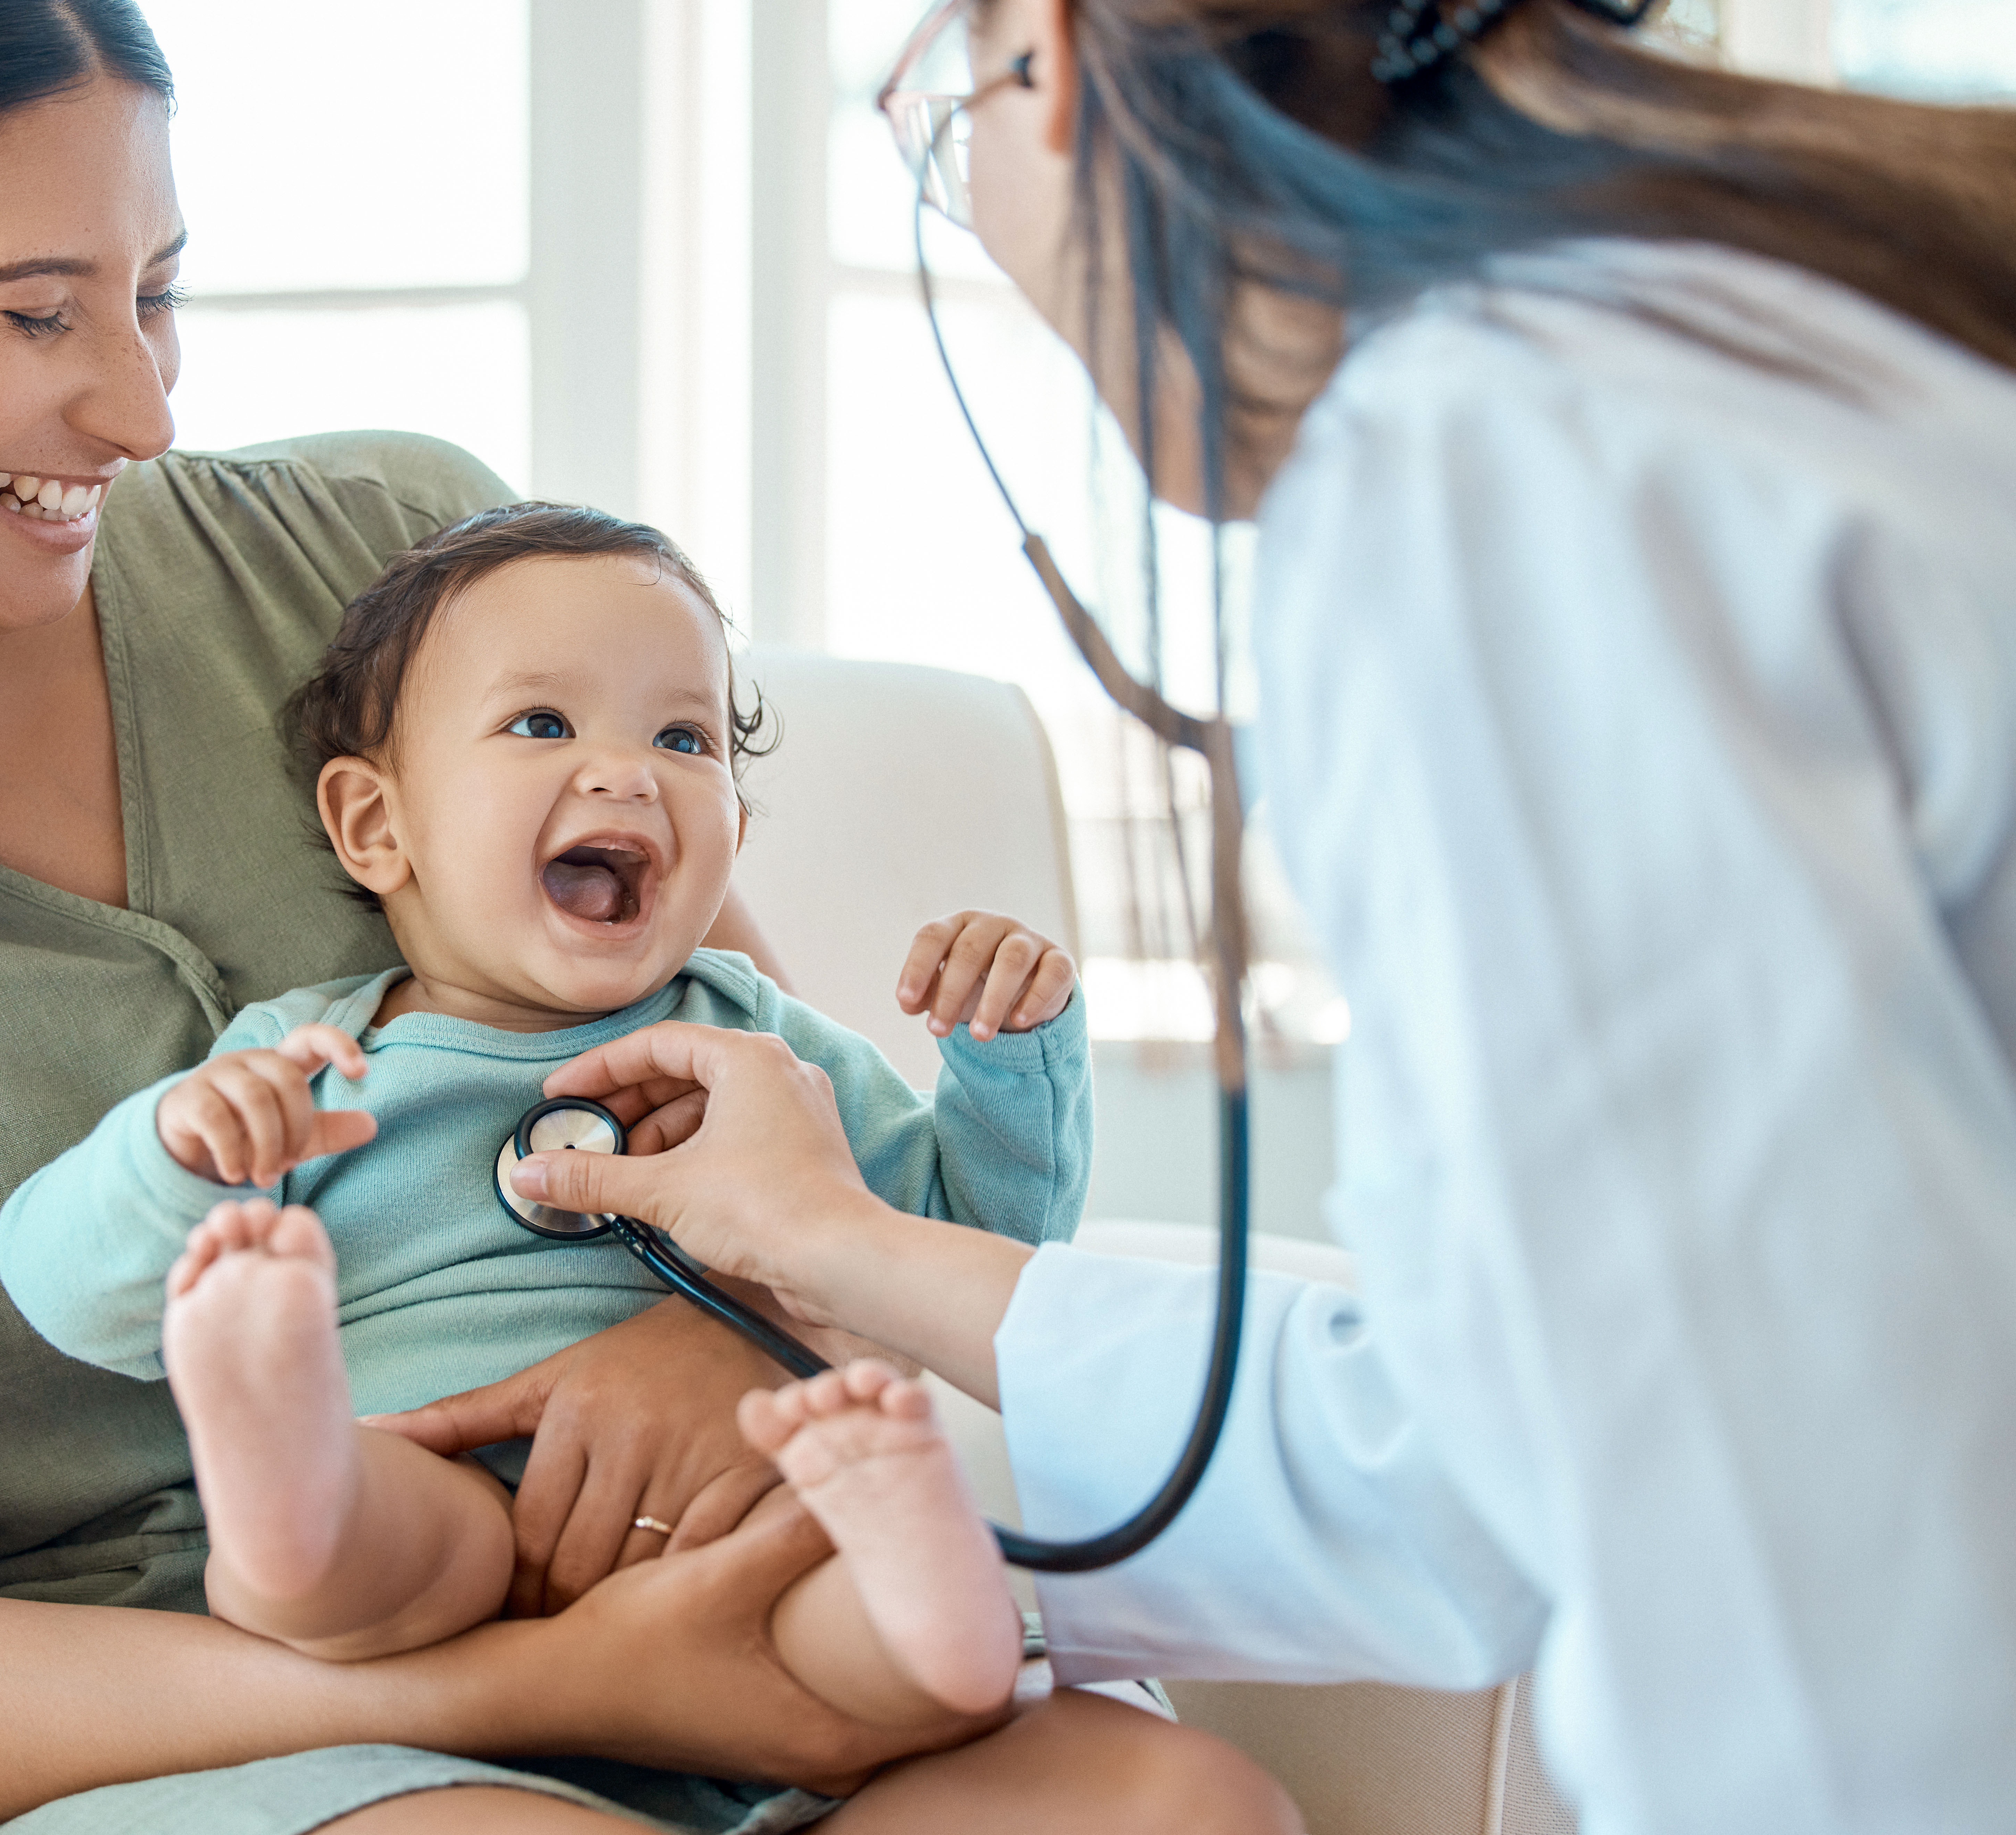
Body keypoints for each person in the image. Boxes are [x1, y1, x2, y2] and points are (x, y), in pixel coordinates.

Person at [0, 1, 1298, 1830]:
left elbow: (741, 1109)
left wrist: (714, 1352)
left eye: (160, 292)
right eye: (38, 315)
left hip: (706, 1575)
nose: (140, 406)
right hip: (207, 1720)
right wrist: (543, 1680)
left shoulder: (388, 559)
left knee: (1179, 1805)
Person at [498, 2, 2016, 1832]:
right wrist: (828, 1240)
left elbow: (1776, 1570)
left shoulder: (1499, 468)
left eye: (943, 118)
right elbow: (1520, 1437)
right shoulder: (1787, 321)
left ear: (1050, 63)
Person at [0, 502, 1084, 1724]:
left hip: (738, 1501)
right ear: (377, 825)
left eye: (685, 735)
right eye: (542, 722)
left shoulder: (758, 1045)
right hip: (434, 1478)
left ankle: (925, 1576)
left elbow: (968, 1245)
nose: (628, 770)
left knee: (881, 1649)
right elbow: (62, 1290)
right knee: (341, 1559)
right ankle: (286, 1457)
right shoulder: (313, 1063)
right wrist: (174, 1156)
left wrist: (1006, 1058)